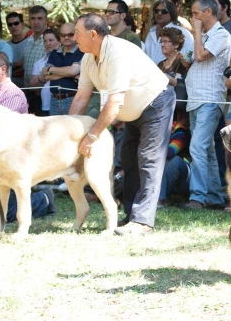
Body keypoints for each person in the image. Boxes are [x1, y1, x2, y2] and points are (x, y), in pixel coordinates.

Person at [69, 13, 175, 236]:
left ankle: (143, 221)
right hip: (132, 111)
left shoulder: (117, 52)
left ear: (93, 34)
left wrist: (92, 136)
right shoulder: (89, 58)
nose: (73, 37)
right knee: (127, 159)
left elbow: (115, 101)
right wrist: (68, 129)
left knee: (149, 158)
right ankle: (130, 216)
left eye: (77, 33)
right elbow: (81, 98)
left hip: (156, 102)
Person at [0, 51, 55, 222]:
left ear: (3, 69)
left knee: (8, 215)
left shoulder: (12, 95)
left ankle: (43, 199)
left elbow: (1, 131)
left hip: (11, 158)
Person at [184, 0, 231, 210]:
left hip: (209, 99)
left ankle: (197, 197)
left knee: (197, 147)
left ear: (208, 13)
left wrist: (195, 33)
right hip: (196, 99)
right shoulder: (203, 36)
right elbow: (192, 59)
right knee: (208, 149)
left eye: (195, 13)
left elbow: (201, 56)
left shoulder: (221, 35)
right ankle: (214, 196)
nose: (193, 17)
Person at [41, 23, 84, 115]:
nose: (66, 37)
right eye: (63, 35)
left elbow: (73, 71)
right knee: (53, 129)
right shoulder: (54, 53)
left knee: (72, 128)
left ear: (76, 34)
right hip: (54, 100)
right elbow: (46, 75)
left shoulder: (82, 52)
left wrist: (51, 69)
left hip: (73, 99)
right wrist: (69, 75)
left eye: (70, 34)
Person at [144, 0, 194, 64]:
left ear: (172, 13)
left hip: (173, 73)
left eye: (164, 11)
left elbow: (190, 51)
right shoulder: (151, 33)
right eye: (157, 11)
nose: (159, 13)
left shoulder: (182, 32)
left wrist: (183, 67)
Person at [158, 110, 191, 207]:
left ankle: (161, 199)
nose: (186, 120)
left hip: (184, 178)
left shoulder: (181, 132)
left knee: (174, 160)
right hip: (171, 177)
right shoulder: (167, 129)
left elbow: (170, 152)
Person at [22, 6, 48, 115]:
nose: (36, 22)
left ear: (46, 20)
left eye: (39, 18)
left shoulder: (50, 40)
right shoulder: (29, 40)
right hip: (28, 91)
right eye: (33, 18)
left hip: (42, 92)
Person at [157, 28, 191, 112]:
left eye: (165, 41)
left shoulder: (183, 61)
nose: (162, 44)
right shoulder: (160, 64)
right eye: (161, 41)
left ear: (176, 44)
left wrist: (167, 77)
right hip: (163, 108)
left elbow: (187, 83)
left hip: (179, 110)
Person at [30, 29, 61, 116]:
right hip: (45, 106)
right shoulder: (39, 63)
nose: (48, 44)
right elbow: (32, 85)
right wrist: (43, 77)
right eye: (45, 41)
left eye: (51, 40)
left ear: (59, 42)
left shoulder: (66, 59)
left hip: (63, 104)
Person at [5, 12, 31, 88]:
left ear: (22, 24)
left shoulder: (30, 43)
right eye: (10, 24)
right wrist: (19, 63)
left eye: (16, 23)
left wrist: (10, 68)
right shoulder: (6, 46)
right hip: (10, 89)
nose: (13, 26)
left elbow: (26, 69)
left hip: (27, 88)